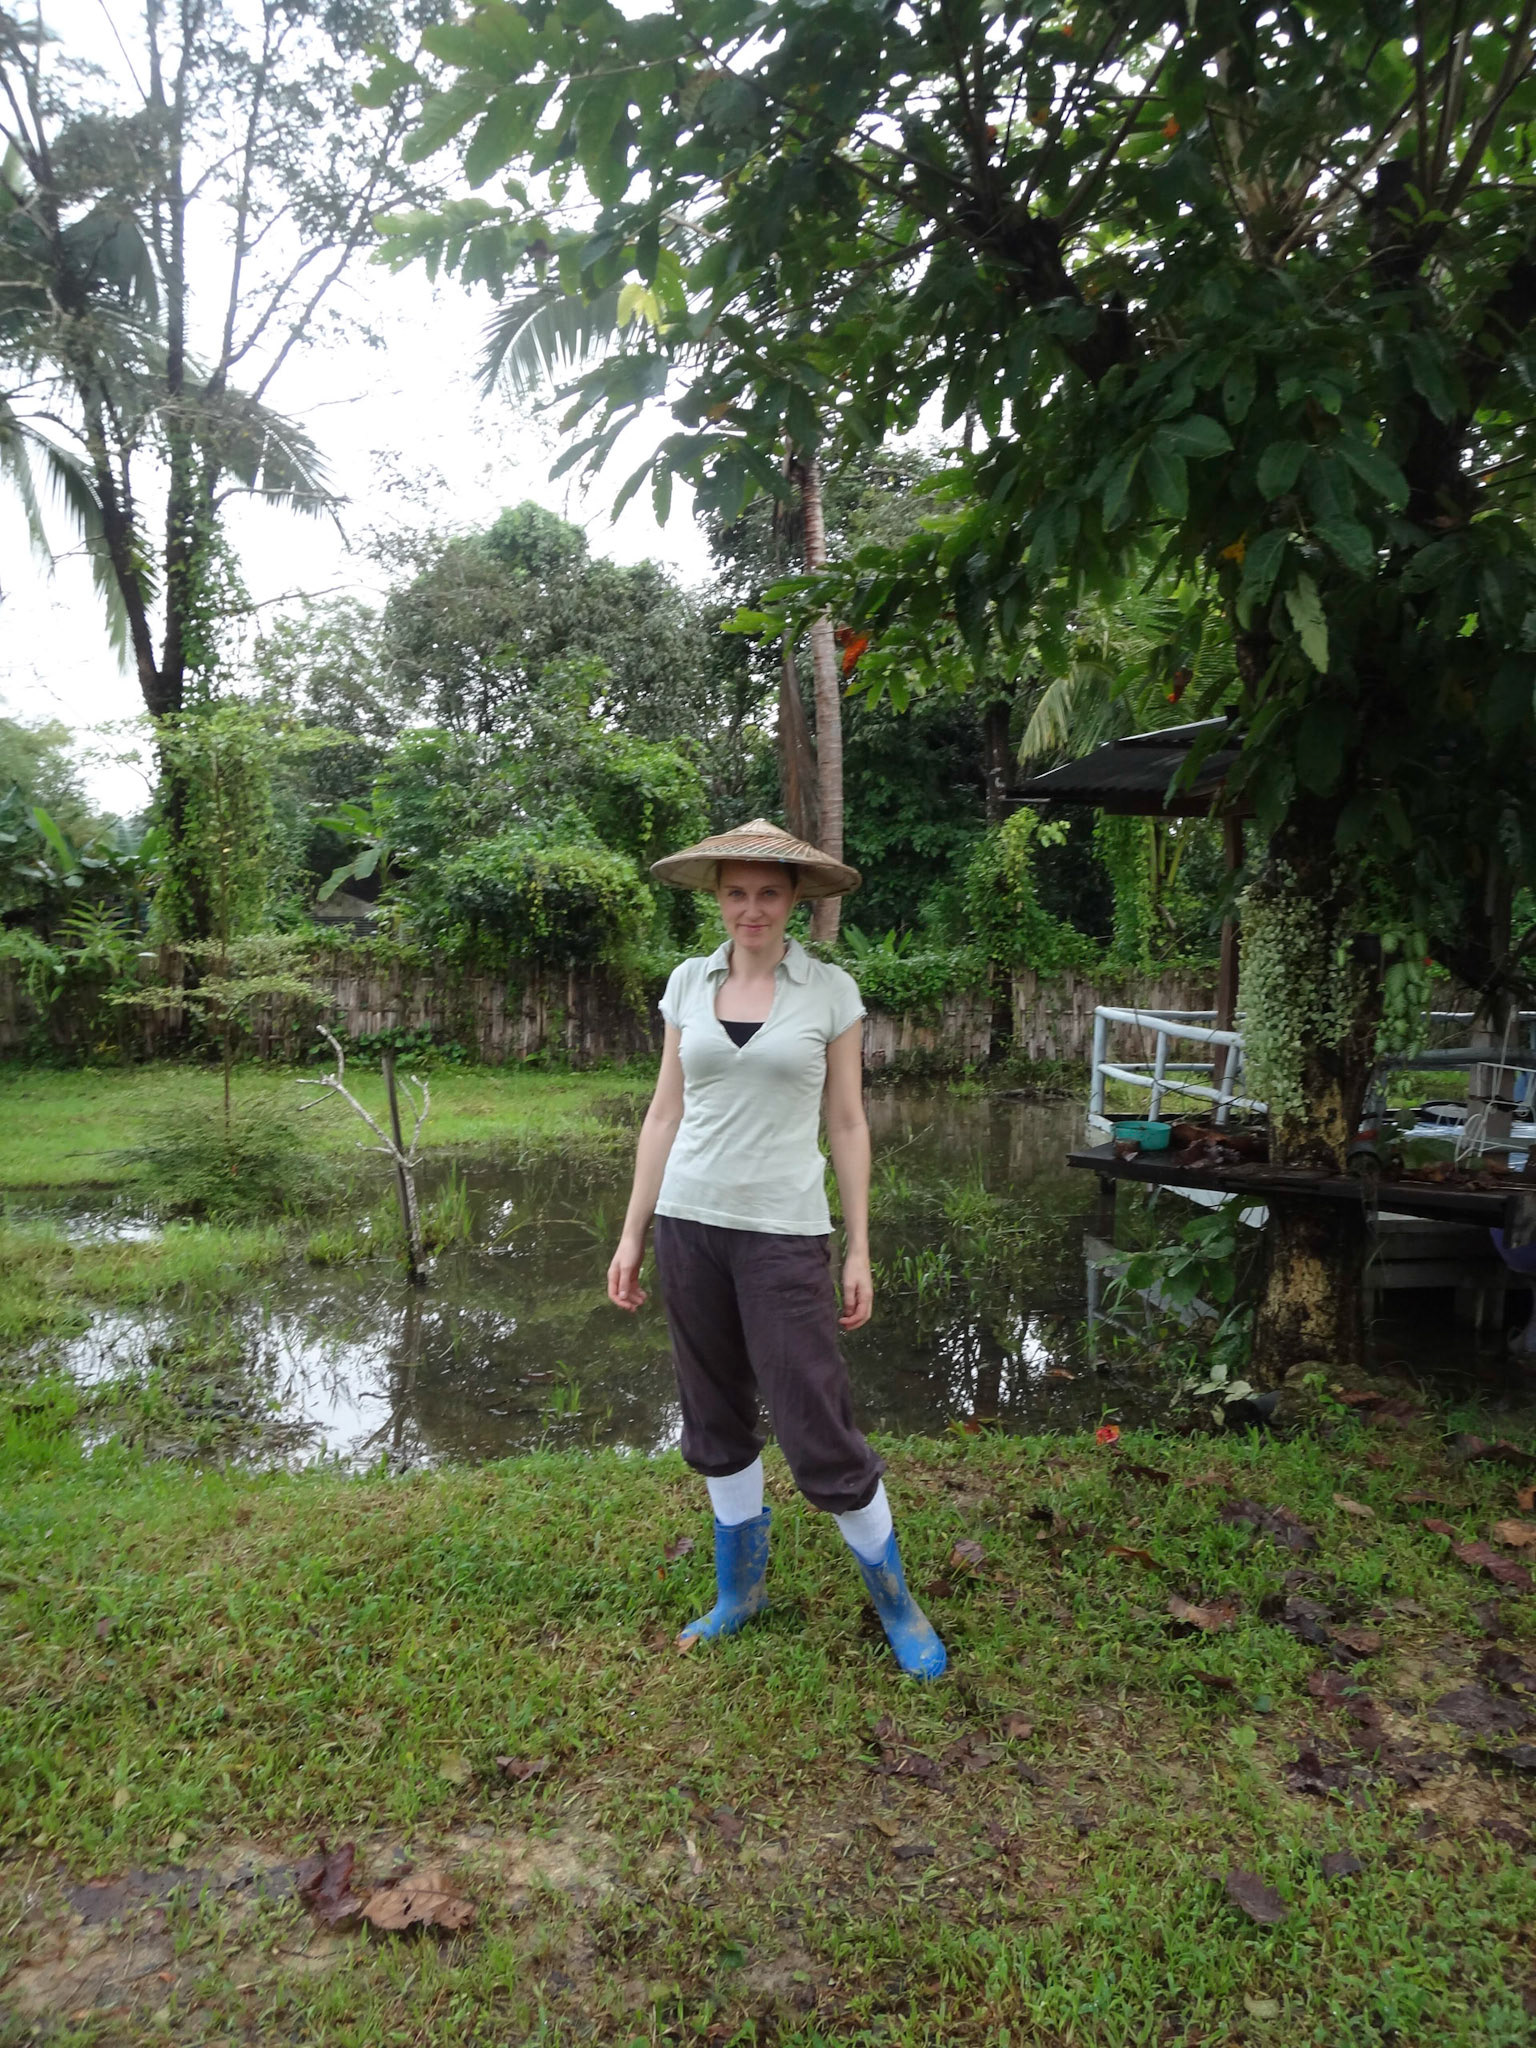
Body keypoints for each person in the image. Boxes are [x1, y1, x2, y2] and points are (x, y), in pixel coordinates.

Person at [606, 818, 946, 1679]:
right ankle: (739, 1594)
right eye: (735, 893)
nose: (750, 909)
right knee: (714, 1414)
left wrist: (860, 1247)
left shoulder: (830, 991)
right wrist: (632, 1230)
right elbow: (663, 1114)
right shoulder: (688, 983)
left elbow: (847, 1122)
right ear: (716, 900)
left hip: (786, 1234)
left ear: (795, 901)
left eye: (767, 893)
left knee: (814, 1423)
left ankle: (898, 1605)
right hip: (690, 1224)